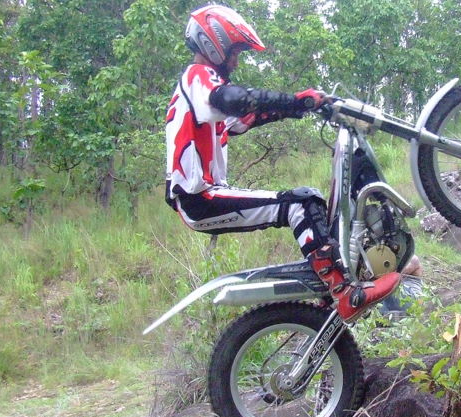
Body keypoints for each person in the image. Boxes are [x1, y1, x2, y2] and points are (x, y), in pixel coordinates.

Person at [166, 5, 400, 322]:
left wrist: (305, 106)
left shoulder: (202, 95)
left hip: (203, 196)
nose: (236, 61)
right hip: (200, 198)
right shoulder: (198, 77)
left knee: (312, 205)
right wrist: (295, 101)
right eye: (235, 52)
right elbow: (235, 100)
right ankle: (344, 293)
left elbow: (246, 118)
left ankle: (329, 289)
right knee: (300, 204)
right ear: (214, 44)